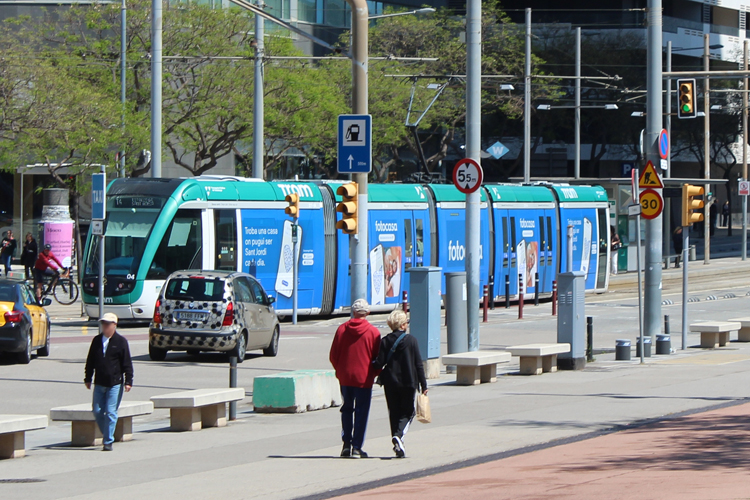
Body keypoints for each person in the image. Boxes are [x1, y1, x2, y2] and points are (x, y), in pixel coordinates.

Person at [329, 299, 380, 458]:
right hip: (364, 378)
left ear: (353, 312)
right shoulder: (373, 333)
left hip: (345, 377)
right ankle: (357, 447)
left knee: (346, 409)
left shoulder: (342, 329)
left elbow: (333, 355)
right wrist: (374, 373)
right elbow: (377, 358)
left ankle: (346, 444)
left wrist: (340, 370)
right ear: (368, 313)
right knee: (361, 411)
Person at [374, 309, 427, 458]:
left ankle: (397, 443)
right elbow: (418, 364)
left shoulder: (385, 341)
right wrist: (424, 385)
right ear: (403, 325)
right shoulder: (411, 340)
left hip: (390, 382)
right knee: (409, 412)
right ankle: (398, 436)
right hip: (408, 381)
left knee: (394, 412)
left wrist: (370, 363)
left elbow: (379, 363)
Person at [84, 312, 133, 451]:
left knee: (111, 412)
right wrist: (88, 378)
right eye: (103, 324)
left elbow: (127, 363)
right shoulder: (97, 341)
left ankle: (108, 441)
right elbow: (90, 361)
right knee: (97, 410)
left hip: (115, 383)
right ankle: (107, 432)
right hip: (99, 382)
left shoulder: (121, 342)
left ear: (114, 325)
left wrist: (128, 380)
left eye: (107, 324)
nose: (104, 326)